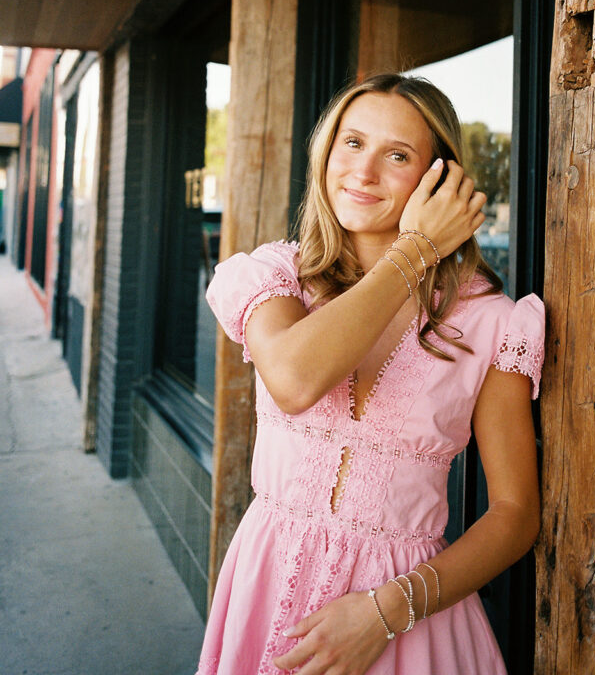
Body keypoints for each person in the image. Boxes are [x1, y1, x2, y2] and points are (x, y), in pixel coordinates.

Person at [194, 72, 545, 675]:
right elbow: (295, 382)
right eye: (352, 143)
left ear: (439, 180)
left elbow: (515, 514)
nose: (364, 171)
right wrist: (414, 253)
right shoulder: (277, 278)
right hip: (268, 581)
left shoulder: (494, 323)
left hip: (410, 616)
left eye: (398, 155)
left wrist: (388, 611)